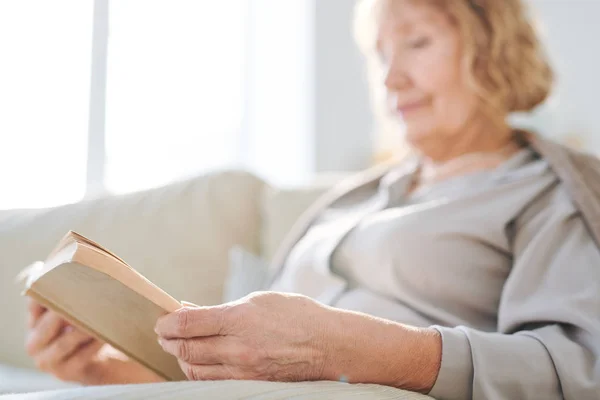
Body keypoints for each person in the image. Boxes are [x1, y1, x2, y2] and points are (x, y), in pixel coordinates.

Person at [25, 0, 600, 398]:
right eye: (379, 55)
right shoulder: (357, 199)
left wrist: (344, 346)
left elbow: (579, 372)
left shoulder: (546, 190)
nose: (391, 77)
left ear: (493, 50)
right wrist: (101, 372)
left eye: (417, 43)